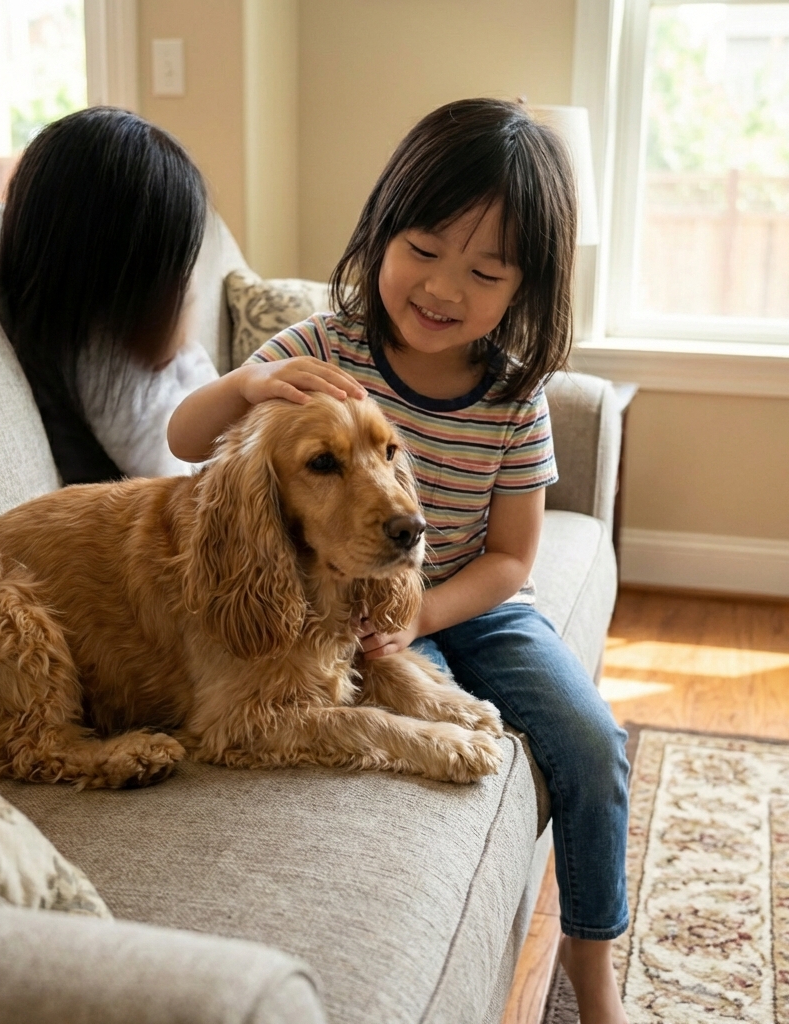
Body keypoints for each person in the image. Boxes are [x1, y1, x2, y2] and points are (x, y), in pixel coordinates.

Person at [167, 98, 630, 1024]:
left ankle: (591, 963)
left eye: (485, 270)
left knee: (593, 744)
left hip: (466, 604)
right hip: (346, 611)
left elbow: (512, 561)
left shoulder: (514, 396)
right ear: (381, 233)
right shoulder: (318, 348)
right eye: (422, 249)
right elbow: (184, 439)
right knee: (426, 724)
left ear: (523, 288)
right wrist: (250, 385)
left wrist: (419, 617)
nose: (444, 287)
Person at [1, 106, 216, 484]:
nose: (189, 283)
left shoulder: (123, 345)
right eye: (179, 273)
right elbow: (178, 483)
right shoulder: (109, 378)